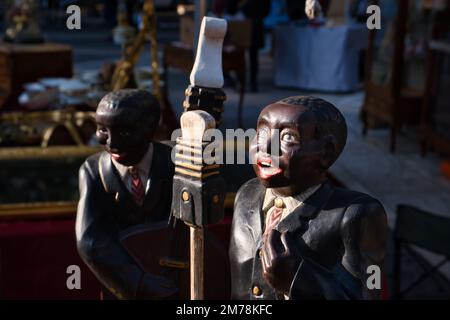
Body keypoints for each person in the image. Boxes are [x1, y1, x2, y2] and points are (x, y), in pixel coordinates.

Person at [229, 96, 388, 299]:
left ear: (325, 153)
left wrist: (297, 280)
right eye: (262, 132)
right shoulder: (247, 195)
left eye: (287, 137)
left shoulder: (359, 215)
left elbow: (368, 294)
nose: (266, 147)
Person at [76, 89, 177, 299]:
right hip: (123, 288)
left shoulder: (173, 162)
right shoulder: (93, 171)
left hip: (174, 281)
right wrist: (138, 281)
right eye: (103, 130)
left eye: (124, 132)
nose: (112, 143)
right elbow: (90, 239)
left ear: (150, 127)